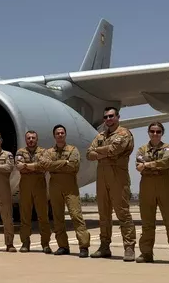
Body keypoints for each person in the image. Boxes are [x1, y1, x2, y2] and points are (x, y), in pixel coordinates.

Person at [86, 106, 136, 261]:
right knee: (103, 214)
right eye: (106, 117)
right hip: (102, 178)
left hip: (118, 177)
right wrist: (105, 152)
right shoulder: (100, 135)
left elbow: (116, 149)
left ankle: (129, 247)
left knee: (122, 213)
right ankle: (104, 246)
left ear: (118, 117)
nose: (108, 119)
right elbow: (89, 154)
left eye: (111, 116)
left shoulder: (124, 133)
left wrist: (99, 152)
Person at [135, 122, 169, 265]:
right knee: (147, 222)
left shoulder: (168, 148)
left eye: (158, 131)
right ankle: (146, 253)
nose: (155, 134)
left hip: (165, 186)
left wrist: (148, 165)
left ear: (162, 133)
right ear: (148, 132)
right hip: (147, 187)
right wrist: (153, 165)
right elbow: (138, 166)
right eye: (152, 131)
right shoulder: (141, 149)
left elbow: (167, 162)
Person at [43, 124, 90, 257]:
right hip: (55, 186)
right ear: (54, 136)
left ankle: (84, 246)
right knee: (58, 217)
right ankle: (63, 246)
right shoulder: (48, 152)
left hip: (70, 186)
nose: (60, 135)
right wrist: (64, 162)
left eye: (62, 133)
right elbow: (45, 165)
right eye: (57, 133)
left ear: (65, 135)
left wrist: (54, 166)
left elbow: (74, 166)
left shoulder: (73, 149)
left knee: (76, 215)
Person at [15, 130, 52, 254]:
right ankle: (25, 243)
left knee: (43, 215)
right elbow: (19, 166)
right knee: (25, 215)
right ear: (26, 140)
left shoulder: (43, 152)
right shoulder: (20, 151)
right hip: (25, 185)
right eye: (29, 138)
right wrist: (35, 166)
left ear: (37, 139)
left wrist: (27, 166)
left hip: (39, 185)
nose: (31, 140)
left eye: (33, 138)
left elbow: (44, 166)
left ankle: (45, 243)